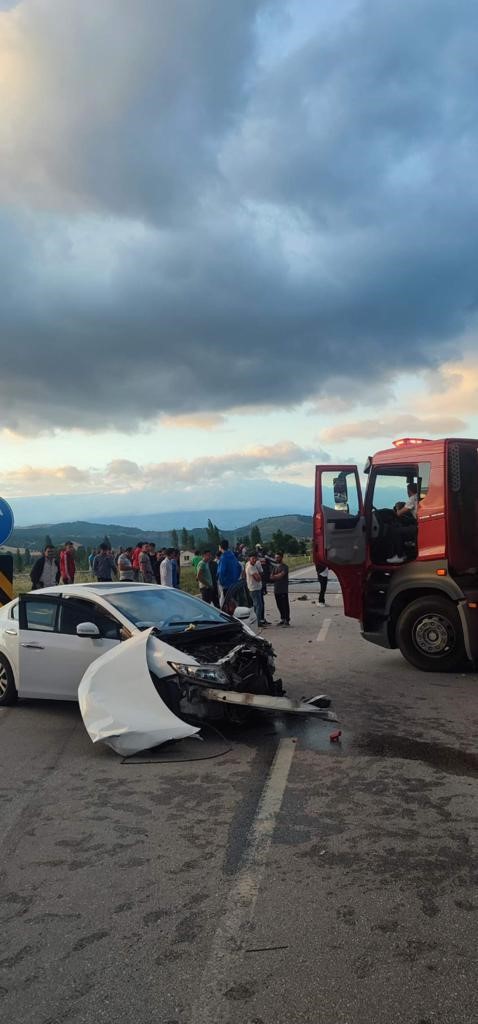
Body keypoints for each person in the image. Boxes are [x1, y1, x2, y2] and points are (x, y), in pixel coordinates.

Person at [217, 539, 241, 606]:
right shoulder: (232, 555)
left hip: (227, 586)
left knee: (228, 606)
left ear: (220, 547)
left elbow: (221, 572)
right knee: (234, 604)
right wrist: (236, 578)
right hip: (235, 584)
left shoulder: (223, 557)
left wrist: (222, 583)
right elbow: (239, 567)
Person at [270, 551, 290, 626]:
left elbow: (281, 576)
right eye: (275, 557)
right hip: (276, 589)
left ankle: (287, 620)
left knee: (285, 605)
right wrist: (275, 576)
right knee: (279, 605)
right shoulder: (275, 567)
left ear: (281, 557)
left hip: (283, 589)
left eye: (278, 557)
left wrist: (275, 576)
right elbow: (271, 577)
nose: (276, 558)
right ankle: (282, 618)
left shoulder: (285, 567)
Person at [245, 553, 265, 626]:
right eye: (252, 558)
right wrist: (259, 576)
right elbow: (258, 578)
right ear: (249, 558)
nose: (254, 560)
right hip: (254, 589)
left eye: (255, 558)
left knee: (257, 605)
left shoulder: (254, 566)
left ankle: (257, 621)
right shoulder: (250, 567)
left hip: (256, 588)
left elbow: (259, 576)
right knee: (258, 605)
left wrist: (258, 576)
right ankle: (257, 622)